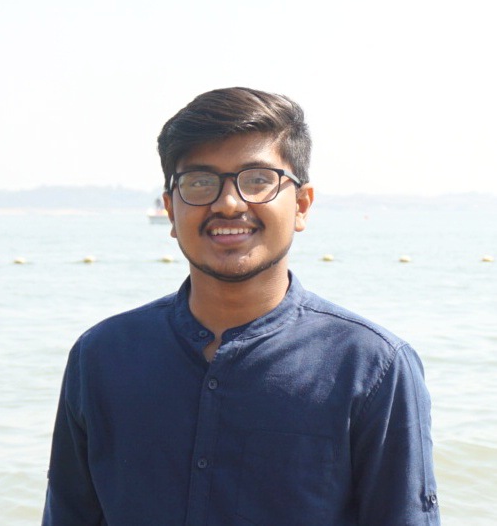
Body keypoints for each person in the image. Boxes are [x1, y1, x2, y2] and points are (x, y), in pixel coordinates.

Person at [42, 87, 440, 525]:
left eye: (257, 180)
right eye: (200, 182)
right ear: (170, 210)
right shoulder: (103, 356)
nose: (229, 204)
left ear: (302, 205)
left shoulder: (372, 367)